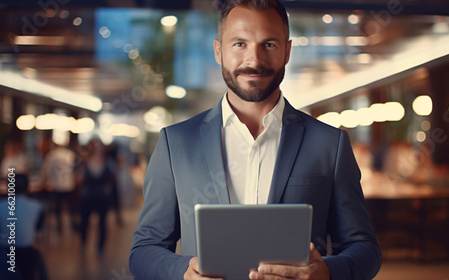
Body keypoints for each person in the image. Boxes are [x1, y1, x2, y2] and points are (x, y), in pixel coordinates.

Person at [130, 0, 381, 279]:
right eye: (240, 44)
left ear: (287, 51)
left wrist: (328, 273)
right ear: (218, 51)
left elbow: (365, 249)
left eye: (269, 44)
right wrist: (182, 272)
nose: (254, 60)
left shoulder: (329, 145)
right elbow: (144, 251)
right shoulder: (175, 143)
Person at [0, 174, 47, 280]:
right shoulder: (37, 206)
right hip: (27, 254)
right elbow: (39, 234)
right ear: (28, 187)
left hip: (4, 253)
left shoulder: (1, 206)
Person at [77, 139, 114, 255]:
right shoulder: (85, 161)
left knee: (102, 222)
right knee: (84, 222)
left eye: (100, 146)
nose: (98, 148)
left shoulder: (109, 162)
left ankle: (100, 247)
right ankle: (83, 244)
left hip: (102, 196)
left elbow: (113, 178)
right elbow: (79, 179)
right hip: (87, 196)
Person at [38, 141, 76, 232]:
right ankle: (71, 224)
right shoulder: (70, 154)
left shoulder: (52, 155)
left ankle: (59, 226)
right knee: (69, 206)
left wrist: (43, 180)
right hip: (69, 185)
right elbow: (74, 169)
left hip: (57, 186)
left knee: (58, 206)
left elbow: (46, 171)